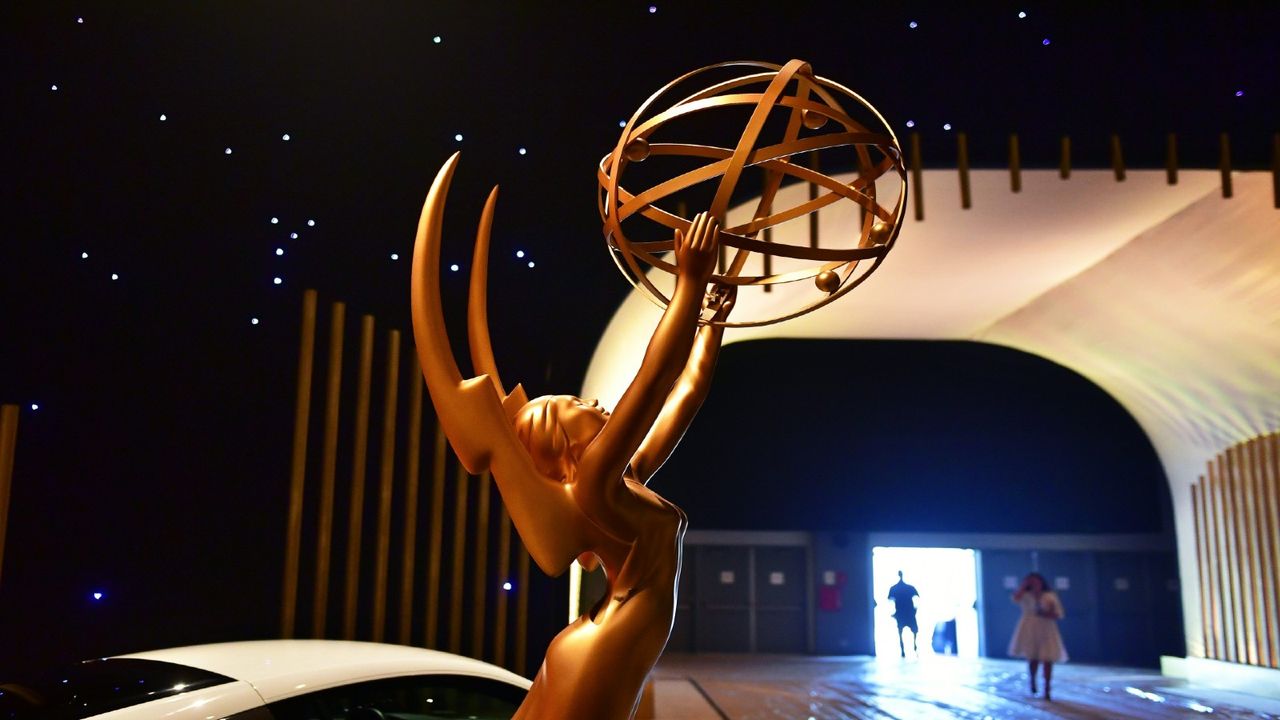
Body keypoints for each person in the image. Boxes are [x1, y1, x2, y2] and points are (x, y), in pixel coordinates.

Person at [413, 182, 733, 719]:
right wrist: (687, 287)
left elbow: (685, 394)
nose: (592, 400)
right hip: (601, 650)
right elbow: (652, 382)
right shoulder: (594, 485)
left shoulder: (622, 479)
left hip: (598, 641)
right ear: (565, 448)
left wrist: (710, 322)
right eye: (576, 404)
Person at [1008, 572, 1068, 701]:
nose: (1034, 584)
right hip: (1029, 627)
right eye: (1031, 582)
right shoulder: (1025, 595)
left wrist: (1047, 612)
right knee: (1032, 657)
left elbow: (1058, 613)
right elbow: (1015, 598)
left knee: (1048, 657)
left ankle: (1047, 687)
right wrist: (1024, 587)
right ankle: (1033, 680)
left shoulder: (1049, 596)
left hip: (1046, 628)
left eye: (1036, 582)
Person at [887, 570, 920, 657]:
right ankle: (910, 648)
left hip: (903, 613)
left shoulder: (895, 588)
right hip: (907, 613)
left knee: (903, 632)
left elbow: (890, 599)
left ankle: (907, 649)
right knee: (912, 631)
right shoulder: (909, 588)